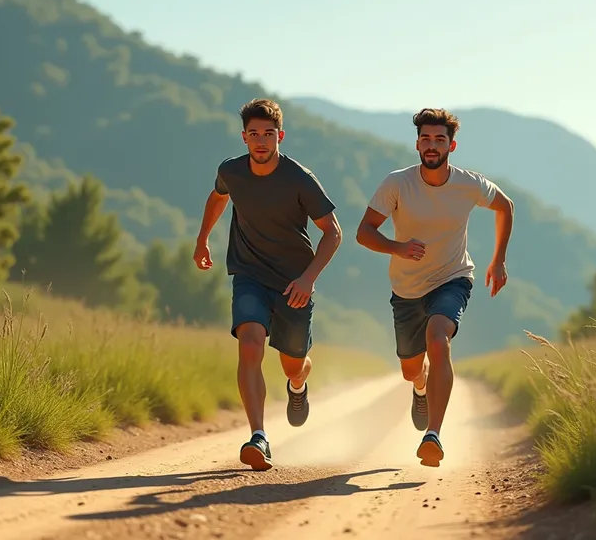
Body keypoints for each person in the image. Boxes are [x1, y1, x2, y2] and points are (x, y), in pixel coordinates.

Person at [355, 108, 514, 467]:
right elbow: (364, 232)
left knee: (438, 338)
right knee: (411, 368)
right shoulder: (397, 183)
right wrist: (398, 247)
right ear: (417, 144)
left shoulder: (469, 184)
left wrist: (498, 259)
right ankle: (420, 386)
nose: (431, 145)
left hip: (453, 277)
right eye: (425, 138)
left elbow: (506, 206)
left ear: (451, 145)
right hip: (407, 288)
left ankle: (434, 435)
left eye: (439, 139)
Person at [193, 98, 342, 471]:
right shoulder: (231, 170)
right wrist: (202, 239)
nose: (261, 141)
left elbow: (333, 233)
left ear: (281, 136)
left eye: (269, 134)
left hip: (294, 282)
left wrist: (308, 279)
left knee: (293, 365)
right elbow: (218, 196)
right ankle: (258, 436)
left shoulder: (299, 179)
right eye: (254, 134)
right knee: (250, 343)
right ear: (244, 137)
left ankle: (297, 386)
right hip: (249, 275)